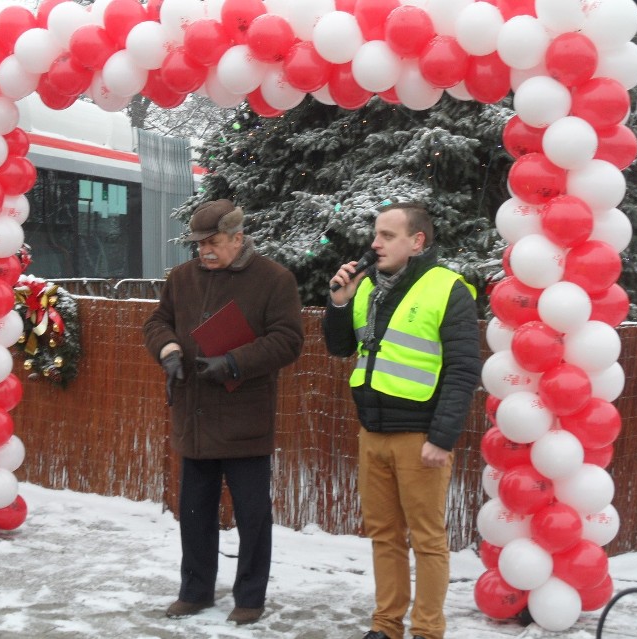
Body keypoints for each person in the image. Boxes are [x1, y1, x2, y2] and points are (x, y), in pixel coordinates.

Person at [322, 202, 481, 639]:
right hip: (373, 432)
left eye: (387, 236)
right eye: (376, 234)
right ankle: (386, 626)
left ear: (417, 242)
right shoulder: (368, 286)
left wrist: (442, 437)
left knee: (428, 541)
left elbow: (464, 369)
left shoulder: (447, 288)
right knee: (384, 537)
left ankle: (427, 631)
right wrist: (339, 302)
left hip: (420, 438)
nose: (375, 243)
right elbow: (341, 348)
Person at [144, 199, 304, 625]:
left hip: (244, 420)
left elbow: (288, 340)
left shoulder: (275, 280)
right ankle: (194, 591)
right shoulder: (181, 278)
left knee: (253, 517)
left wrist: (234, 361)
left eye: (213, 242)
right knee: (194, 512)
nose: (205, 252)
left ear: (238, 238)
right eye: (199, 244)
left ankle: (249, 597)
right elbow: (157, 321)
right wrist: (169, 350)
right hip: (194, 416)